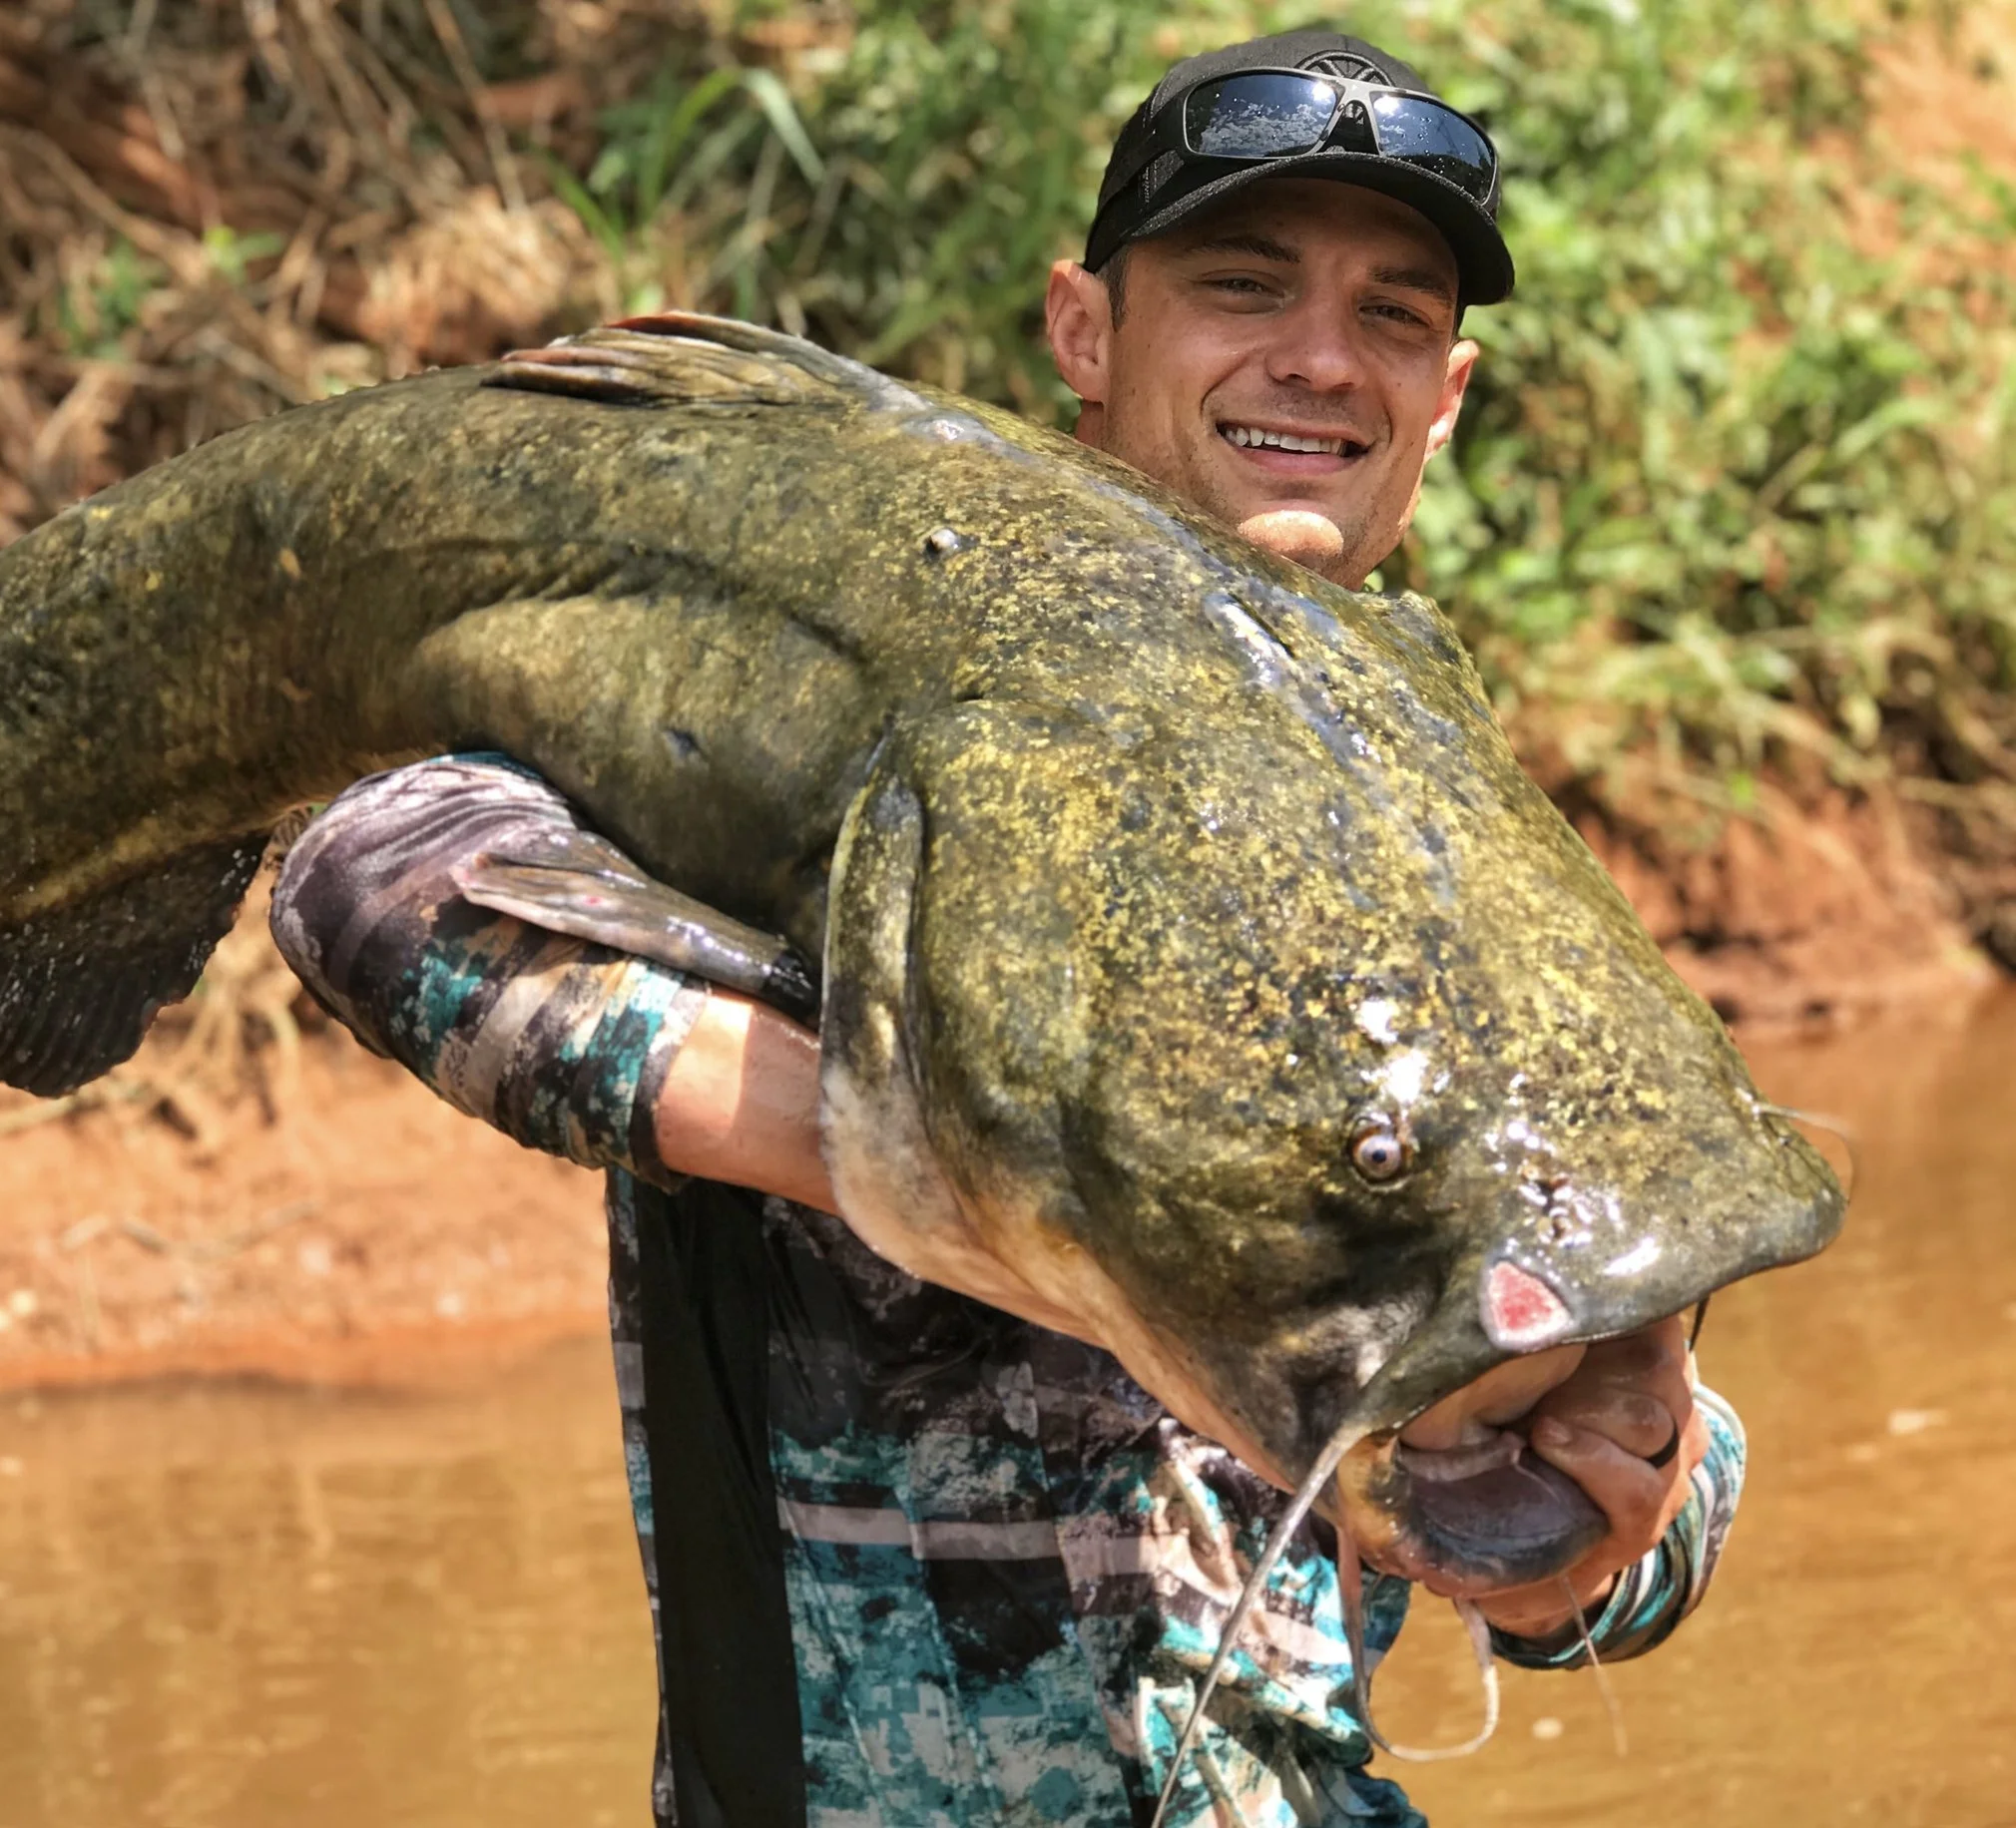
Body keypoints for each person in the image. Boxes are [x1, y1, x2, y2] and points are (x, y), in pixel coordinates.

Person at [270, 31, 1746, 1828]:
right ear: (1083, 333)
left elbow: (1629, 1528)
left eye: (1392, 314)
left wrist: (1600, 1509)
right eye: (1243, 285)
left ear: (1444, 399)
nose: (1319, 358)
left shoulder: (1427, 790)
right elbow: (375, 874)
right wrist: (954, 1162)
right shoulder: (860, 657)